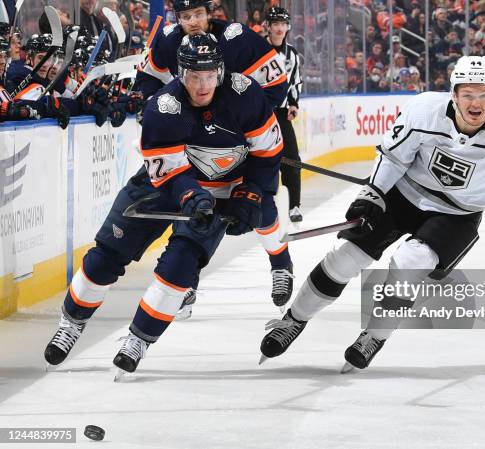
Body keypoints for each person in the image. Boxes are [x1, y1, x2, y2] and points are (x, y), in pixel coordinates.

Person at [259, 55, 485, 372]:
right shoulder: (424, 110)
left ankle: (374, 335)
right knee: (346, 257)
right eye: (468, 94)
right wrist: (372, 194)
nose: (476, 102)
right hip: (404, 195)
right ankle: (294, 320)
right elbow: (394, 157)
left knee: (410, 262)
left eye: (484, 94)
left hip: (457, 214)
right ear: (453, 94)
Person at [44, 34, 284, 374]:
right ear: (180, 74)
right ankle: (71, 323)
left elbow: (268, 153)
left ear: (220, 70)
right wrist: (190, 195)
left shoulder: (246, 95)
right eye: (194, 77)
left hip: (220, 188)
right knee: (106, 254)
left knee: (182, 266)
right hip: (162, 184)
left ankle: (138, 339)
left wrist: (250, 194)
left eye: (209, 76)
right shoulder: (163, 106)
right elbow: (169, 173)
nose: (203, 85)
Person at [134, 0, 295, 316]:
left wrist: (241, 118)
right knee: (194, 205)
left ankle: (281, 264)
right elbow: (148, 78)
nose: (192, 21)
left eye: (197, 14)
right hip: (192, 139)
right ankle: (186, 282)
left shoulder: (236, 36)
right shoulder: (167, 39)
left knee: (258, 204)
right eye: (185, 16)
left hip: (239, 139)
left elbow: (277, 83)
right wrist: (158, 109)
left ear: (209, 13)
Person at [265, 7, 303, 222]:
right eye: (275, 24)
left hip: (281, 113)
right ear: (268, 26)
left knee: (292, 159)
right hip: (259, 115)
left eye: (283, 24)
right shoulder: (258, 50)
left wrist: (294, 103)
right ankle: (261, 204)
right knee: (261, 160)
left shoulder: (292, 54)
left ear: (287, 27)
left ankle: (294, 206)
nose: (279, 28)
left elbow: (295, 81)